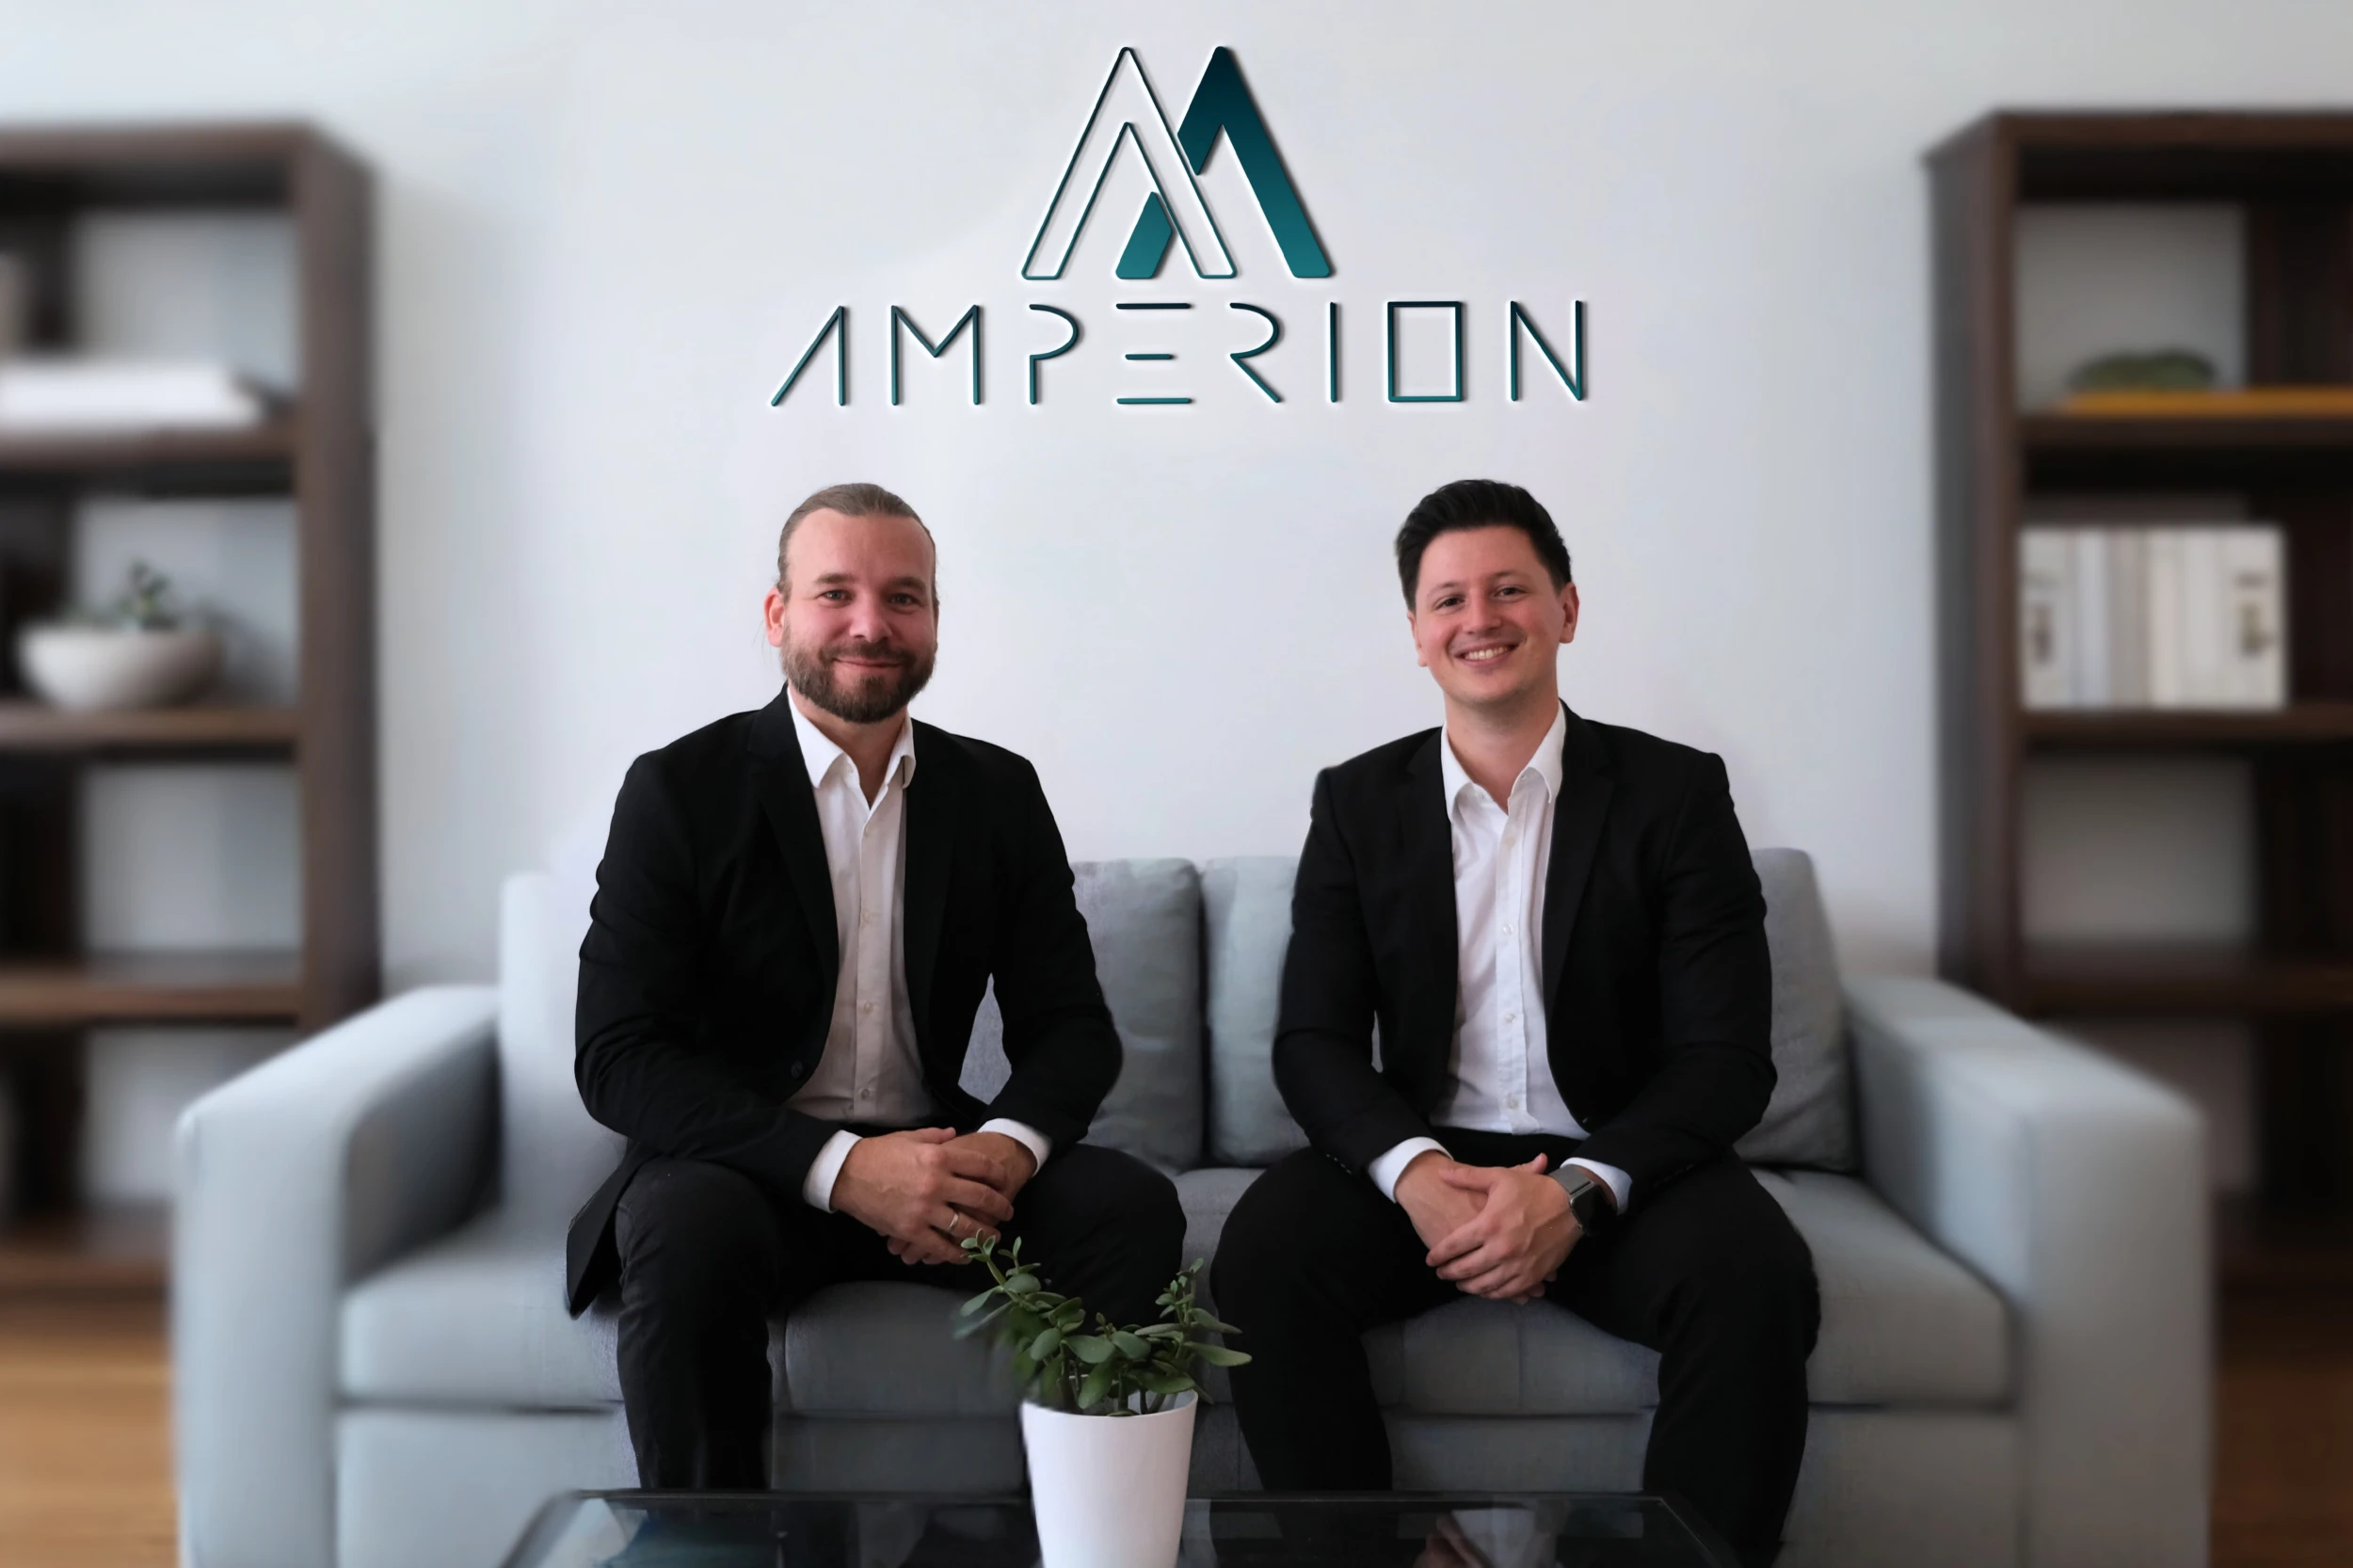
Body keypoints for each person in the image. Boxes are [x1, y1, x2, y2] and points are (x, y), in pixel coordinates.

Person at [1212, 479, 1819, 1567]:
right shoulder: (1355, 802)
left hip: (1620, 1162)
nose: (1479, 619)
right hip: (1429, 1161)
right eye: (1448, 599)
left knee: (1755, 1278)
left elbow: (1726, 1059)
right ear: (1416, 634)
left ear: (1565, 609)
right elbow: (1312, 1043)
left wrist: (1574, 1192)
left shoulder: (1674, 793)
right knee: (1262, 1255)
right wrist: (1412, 1173)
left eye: (1509, 590)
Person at [566, 481, 1184, 1489]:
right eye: (835, 593)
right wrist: (845, 1170)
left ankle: (1090, 1532)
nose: (871, 624)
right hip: (751, 1175)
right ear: (778, 615)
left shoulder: (997, 792)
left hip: (944, 1167)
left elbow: (1072, 1028)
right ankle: (709, 1550)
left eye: (904, 597)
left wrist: (1001, 1153)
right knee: (680, 1226)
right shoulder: (678, 790)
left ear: (935, 618)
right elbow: (619, 1056)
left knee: (1131, 1208)